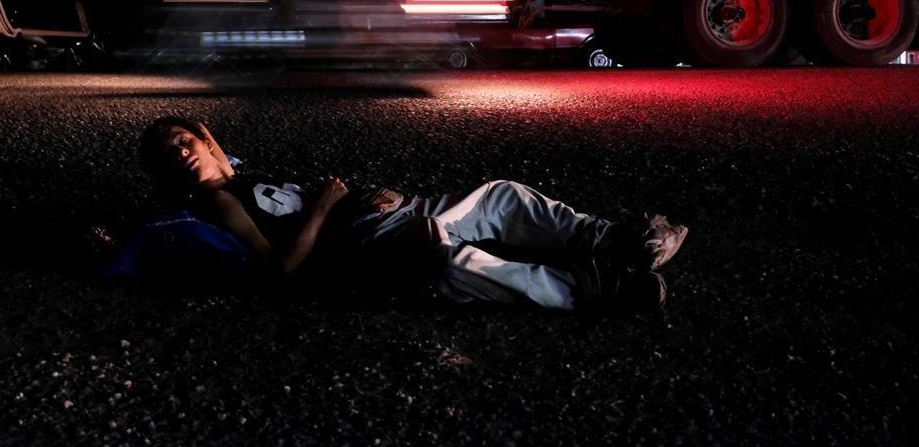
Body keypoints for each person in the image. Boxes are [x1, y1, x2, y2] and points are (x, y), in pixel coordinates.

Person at [123, 115, 688, 315]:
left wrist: (381, 191)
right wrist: (323, 209)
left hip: (394, 212)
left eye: (181, 141)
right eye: (169, 156)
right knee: (452, 260)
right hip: (371, 244)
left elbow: (324, 193)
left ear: (206, 138)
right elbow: (282, 274)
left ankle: (622, 243)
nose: (180, 154)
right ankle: (596, 291)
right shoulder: (221, 203)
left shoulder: (246, 172)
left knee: (501, 197)